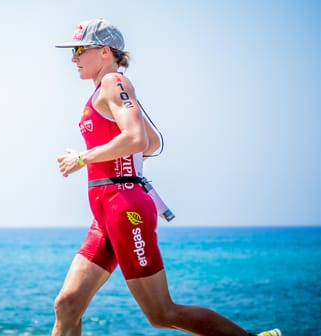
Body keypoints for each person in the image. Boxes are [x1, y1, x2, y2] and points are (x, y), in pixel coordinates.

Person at [52, 18, 281, 336]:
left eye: (78, 49)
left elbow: (137, 140)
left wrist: (84, 157)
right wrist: (114, 156)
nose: (72, 57)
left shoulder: (114, 83)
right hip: (105, 213)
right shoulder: (105, 90)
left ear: (104, 51)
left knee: (161, 313)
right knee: (68, 304)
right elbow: (152, 141)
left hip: (124, 209)